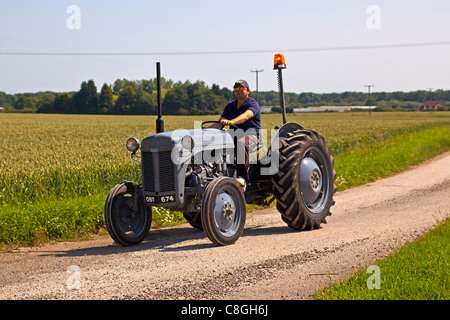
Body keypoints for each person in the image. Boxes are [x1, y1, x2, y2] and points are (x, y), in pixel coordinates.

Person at [211, 80, 261, 188]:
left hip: (251, 136)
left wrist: (231, 121)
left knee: (241, 143)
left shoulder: (252, 104)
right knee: (214, 142)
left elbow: (246, 116)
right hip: (233, 136)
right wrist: (205, 130)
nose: (239, 91)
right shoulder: (230, 105)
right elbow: (221, 120)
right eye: (236, 89)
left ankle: (242, 179)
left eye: (241, 88)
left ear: (248, 91)